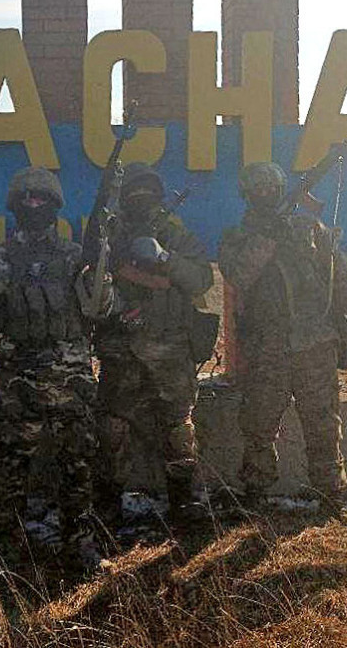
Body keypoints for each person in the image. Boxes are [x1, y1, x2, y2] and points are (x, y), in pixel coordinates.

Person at [0, 166, 110, 568]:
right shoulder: (1, 262)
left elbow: (100, 311)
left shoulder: (76, 257)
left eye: (40, 198)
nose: (33, 204)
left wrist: (101, 276)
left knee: (77, 465)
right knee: (9, 468)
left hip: (71, 377)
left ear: (54, 205)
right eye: (25, 198)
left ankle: (79, 544)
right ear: (14, 205)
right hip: (17, 379)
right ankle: (5, 549)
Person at [217, 162, 347, 524]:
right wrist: (266, 238)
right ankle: (254, 495)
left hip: (314, 341)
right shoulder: (238, 237)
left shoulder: (307, 229)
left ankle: (332, 498)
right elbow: (239, 275)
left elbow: (340, 271)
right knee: (258, 424)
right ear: (247, 196)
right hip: (267, 346)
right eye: (258, 190)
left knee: (322, 423)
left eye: (271, 189)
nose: (265, 195)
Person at [92, 163, 213, 525]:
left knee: (178, 427)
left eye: (147, 193)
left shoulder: (176, 235)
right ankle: (109, 503)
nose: (140, 200)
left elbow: (201, 280)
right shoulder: (109, 235)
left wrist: (165, 258)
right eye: (134, 193)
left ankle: (185, 501)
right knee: (113, 426)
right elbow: (96, 279)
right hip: (122, 347)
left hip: (170, 347)